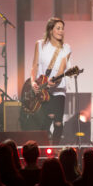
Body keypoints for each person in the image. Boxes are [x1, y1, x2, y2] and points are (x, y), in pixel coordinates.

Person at [30, 17, 71, 145]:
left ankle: (55, 149)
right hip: (43, 90)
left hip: (58, 89)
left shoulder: (66, 48)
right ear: (50, 30)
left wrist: (56, 81)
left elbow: (62, 69)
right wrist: (32, 82)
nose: (61, 31)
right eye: (58, 28)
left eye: (62, 28)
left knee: (58, 122)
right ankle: (43, 147)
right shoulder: (40, 45)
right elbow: (35, 66)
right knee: (48, 118)